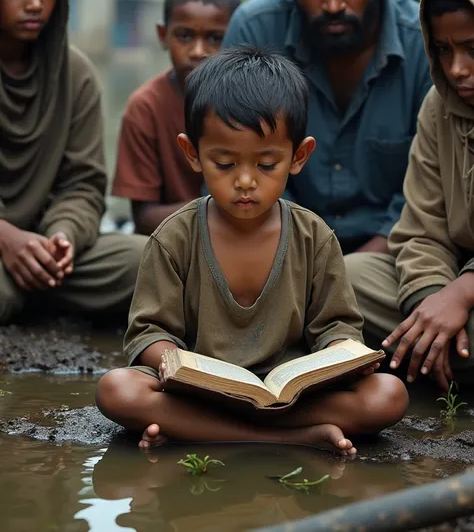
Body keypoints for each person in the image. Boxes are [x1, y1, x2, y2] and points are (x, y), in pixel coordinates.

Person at [96, 47, 408, 454]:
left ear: (299, 156)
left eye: (266, 164)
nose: (245, 181)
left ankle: (202, 433)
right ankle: (292, 440)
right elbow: (149, 333)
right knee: (117, 389)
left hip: (293, 399)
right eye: (224, 164)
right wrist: (176, 363)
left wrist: (340, 357)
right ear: (193, 154)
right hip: (202, 395)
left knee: (389, 394)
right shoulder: (174, 237)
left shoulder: (314, 237)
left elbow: (337, 329)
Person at [223, 0, 432, 255]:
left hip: (395, 249)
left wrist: (346, 275)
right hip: (276, 245)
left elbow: (432, 189)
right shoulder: (255, 31)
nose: (333, 3)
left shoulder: (424, 44)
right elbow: (233, 166)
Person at [0, 0, 148, 324]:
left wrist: (60, 238)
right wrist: (8, 239)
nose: (34, 2)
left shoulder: (76, 73)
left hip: (49, 253)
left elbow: (83, 185)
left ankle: (38, 285)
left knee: (149, 262)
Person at [345, 0, 474, 392]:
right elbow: (420, 230)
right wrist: (432, 303)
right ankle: (433, 349)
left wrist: (464, 292)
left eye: (471, 49)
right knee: (348, 280)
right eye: (443, 50)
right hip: (449, 290)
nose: (457, 69)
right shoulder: (439, 108)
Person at [112, 0, 241, 235]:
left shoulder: (254, 102)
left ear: (237, 36)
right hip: (176, 240)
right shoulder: (145, 107)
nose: (197, 51)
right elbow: (144, 217)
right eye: (184, 36)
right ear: (163, 35)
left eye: (215, 38)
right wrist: (222, 207)